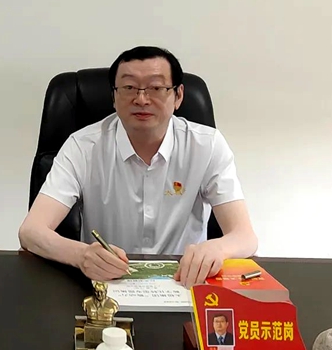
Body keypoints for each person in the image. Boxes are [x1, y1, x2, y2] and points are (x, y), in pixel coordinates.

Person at [18, 46, 258, 289]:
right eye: (129, 87)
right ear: (113, 97)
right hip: (106, 286)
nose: (141, 99)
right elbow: (31, 231)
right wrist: (81, 255)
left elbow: (245, 237)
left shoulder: (207, 145)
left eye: (156, 88)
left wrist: (217, 248)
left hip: (183, 284)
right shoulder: (83, 147)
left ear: (178, 96)